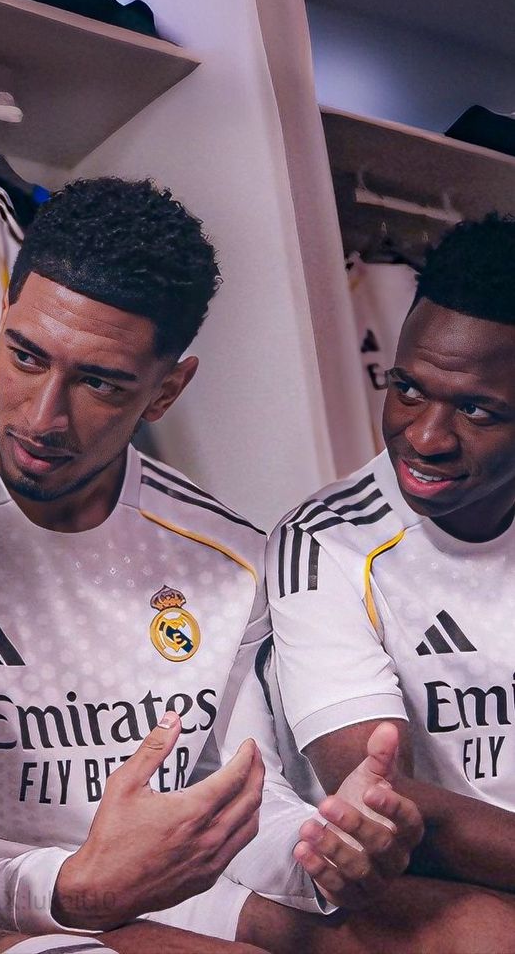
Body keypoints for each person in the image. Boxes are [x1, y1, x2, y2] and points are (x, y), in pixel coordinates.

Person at [0, 177, 500, 954]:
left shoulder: (229, 554)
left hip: (188, 892)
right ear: (0, 323)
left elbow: (247, 794)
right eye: (27, 357)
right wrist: (79, 886)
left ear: (167, 390)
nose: (42, 416)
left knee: (480, 933)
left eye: (99, 382)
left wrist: (323, 851)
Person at [268, 212, 515, 912]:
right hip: (431, 905)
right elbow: (379, 805)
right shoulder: (324, 543)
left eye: (477, 410)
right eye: (406, 389)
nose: (425, 437)